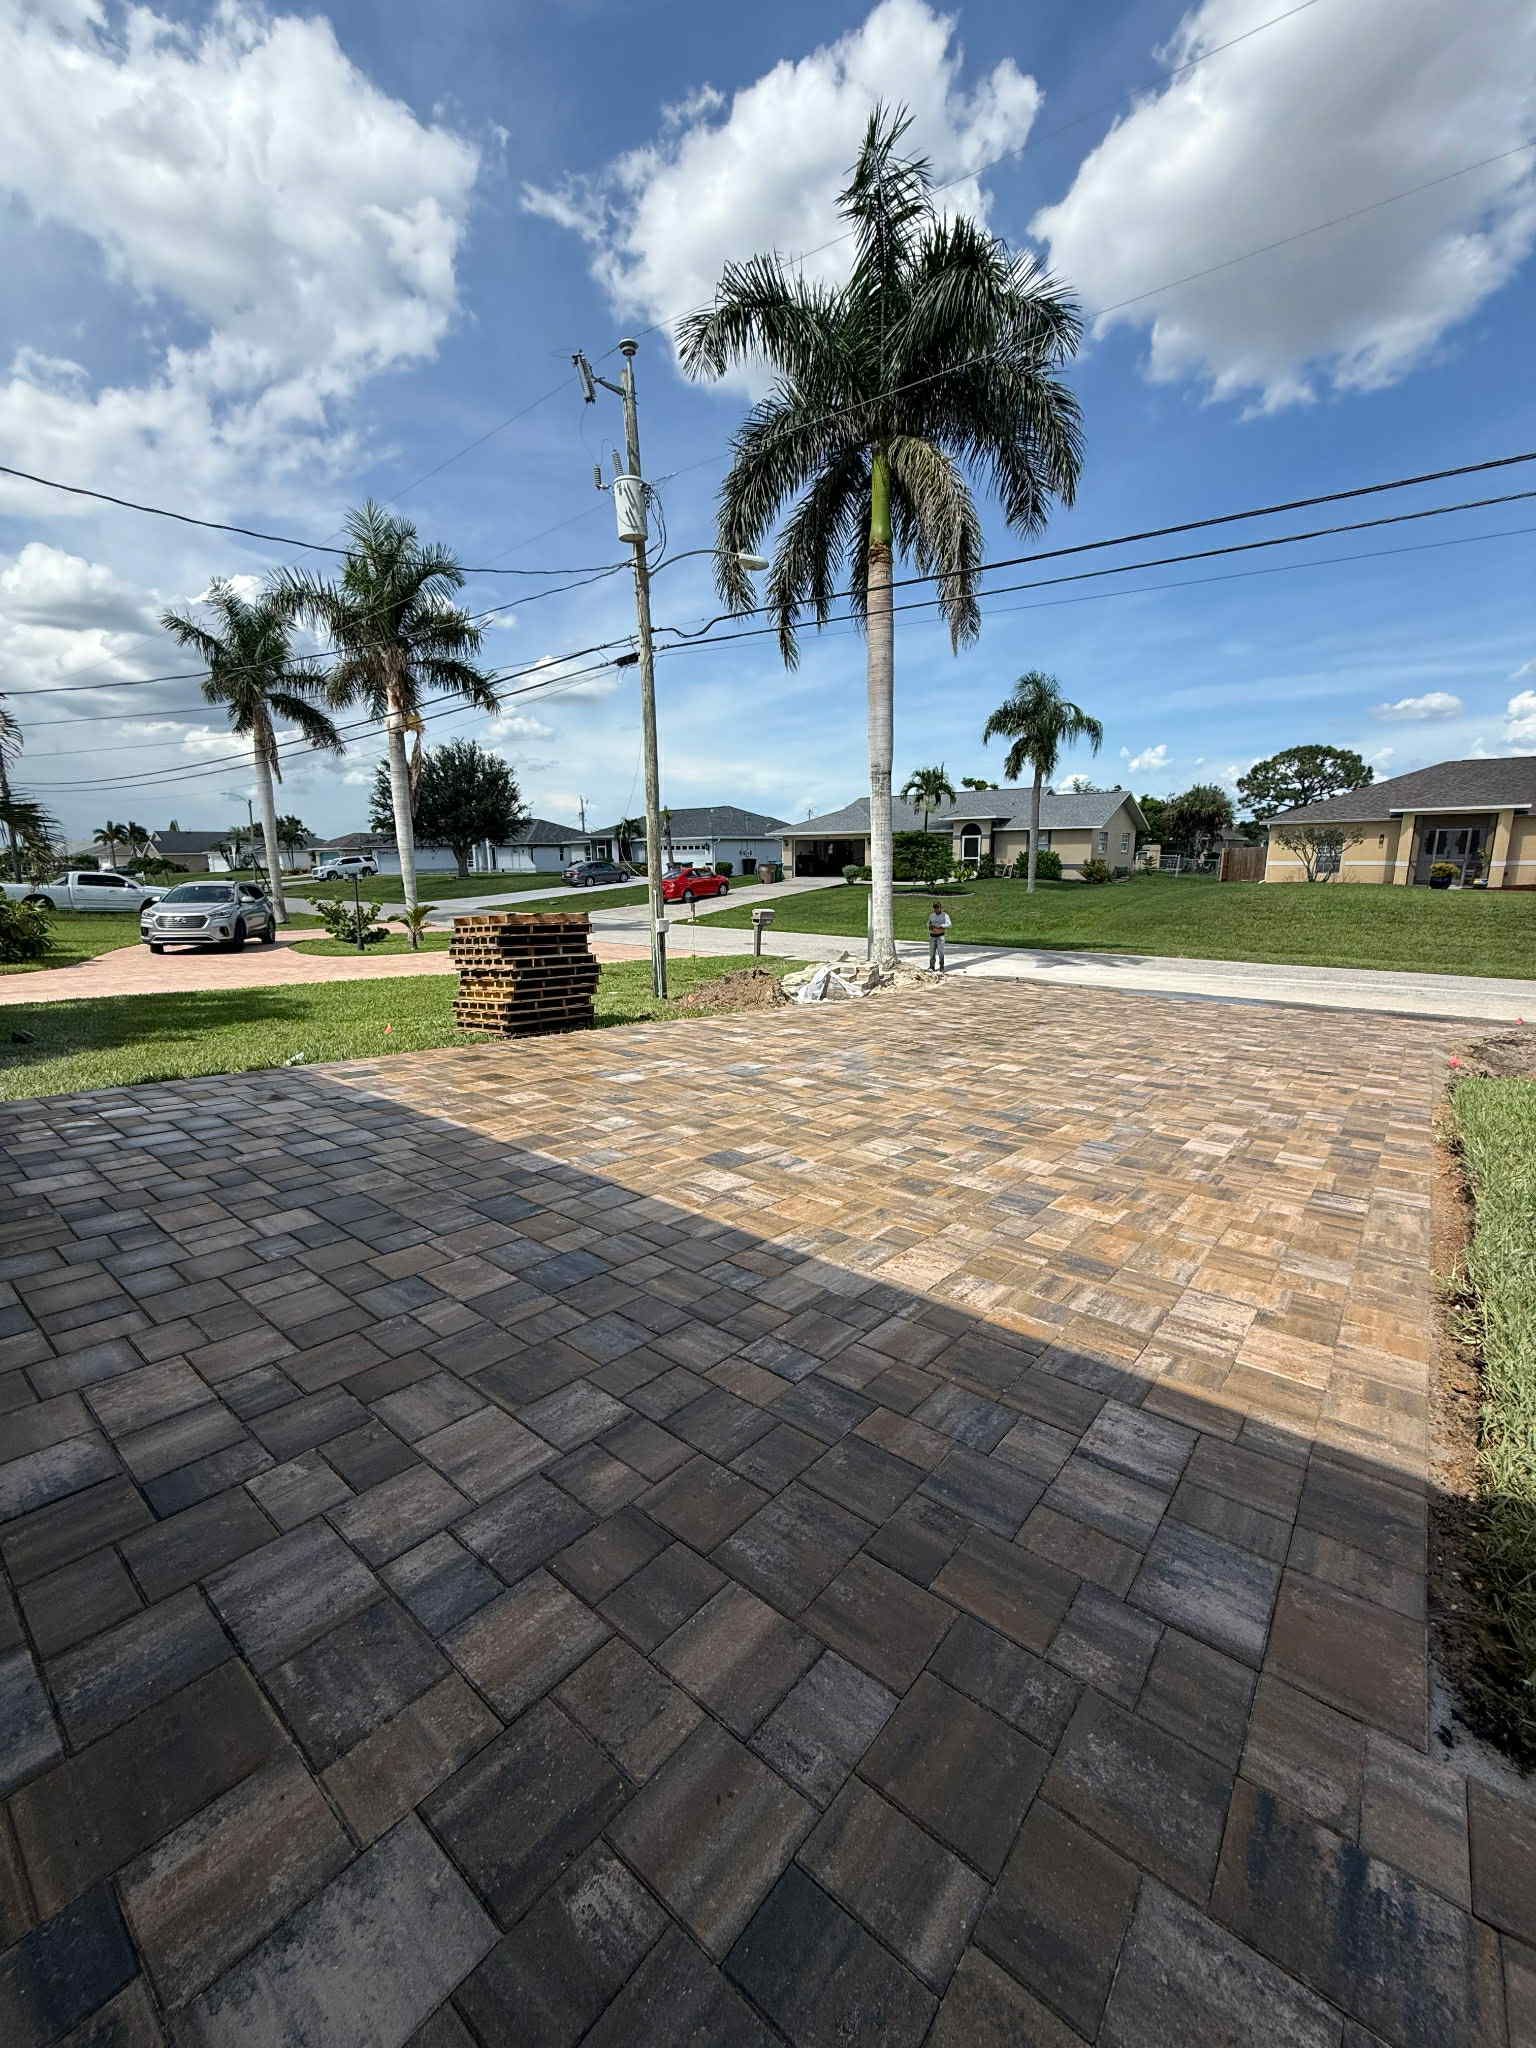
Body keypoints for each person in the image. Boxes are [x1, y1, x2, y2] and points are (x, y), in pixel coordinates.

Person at [927, 898, 952, 972]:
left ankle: (941, 967)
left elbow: (949, 924)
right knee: (932, 952)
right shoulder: (931, 915)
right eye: (934, 908)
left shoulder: (945, 915)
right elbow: (928, 923)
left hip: (940, 936)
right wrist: (930, 926)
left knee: (941, 952)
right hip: (932, 936)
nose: (936, 909)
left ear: (940, 907)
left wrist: (941, 926)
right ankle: (932, 966)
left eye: (937, 907)